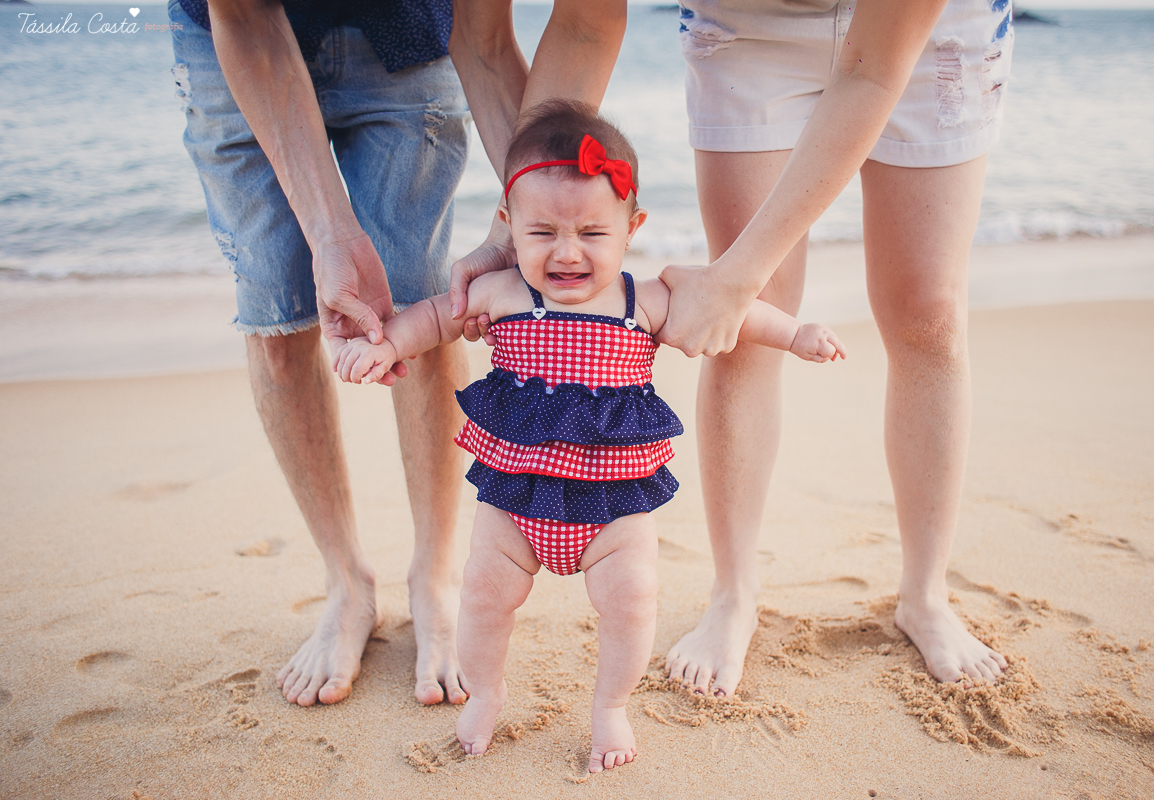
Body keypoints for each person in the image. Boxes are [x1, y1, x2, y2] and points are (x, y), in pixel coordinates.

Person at [333, 101, 845, 771]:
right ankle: (485, 693)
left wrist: (796, 334)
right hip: (515, 499)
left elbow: (738, 311)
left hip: (614, 507)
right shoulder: (502, 292)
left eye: (592, 232)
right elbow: (433, 318)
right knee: (483, 598)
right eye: (542, 231)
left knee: (632, 602)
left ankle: (610, 707)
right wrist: (385, 345)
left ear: (631, 228)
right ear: (508, 224)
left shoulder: (645, 299)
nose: (567, 251)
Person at [656, 0, 1016, 692]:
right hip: (749, 26)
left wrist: (735, 279)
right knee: (749, 324)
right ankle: (733, 593)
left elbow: (871, 69)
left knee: (930, 312)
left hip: (932, 33)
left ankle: (926, 595)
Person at [169, 0, 472, 706]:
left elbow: (497, 42)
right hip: (229, 41)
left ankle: (435, 577)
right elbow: (244, 16)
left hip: (403, 30)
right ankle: (346, 582)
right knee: (277, 324)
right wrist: (329, 232)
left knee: (420, 311)